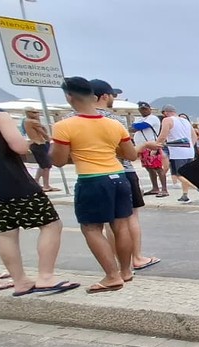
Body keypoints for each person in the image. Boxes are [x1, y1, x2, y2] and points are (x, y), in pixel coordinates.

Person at [49, 77, 140, 293]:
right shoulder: (114, 124)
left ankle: (111, 276)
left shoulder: (64, 126)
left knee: (91, 228)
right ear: (93, 96)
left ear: (69, 97)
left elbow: (59, 160)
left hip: (92, 179)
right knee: (121, 225)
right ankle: (126, 271)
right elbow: (130, 154)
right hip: (118, 176)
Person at [0, 105, 80, 296]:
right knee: (51, 224)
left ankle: (20, 282)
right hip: (13, 180)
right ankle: (45, 277)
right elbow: (18, 146)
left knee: (6, 232)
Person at [89, 79, 162, 273]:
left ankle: (117, 262)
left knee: (108, 222)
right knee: (129, 219)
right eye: (112, 95)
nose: (114, 98)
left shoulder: (72, 119)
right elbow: (128, 153)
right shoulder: (114, 120)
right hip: (121, 171)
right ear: (104, 96)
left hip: (92, 175)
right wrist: (146, 145)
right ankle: (135, 258)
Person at [156, 105, 198, 203]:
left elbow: (163, 136)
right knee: (186, 175)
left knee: (178, 174)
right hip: (189, 151)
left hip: (177, 152)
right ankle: (185, 195)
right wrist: (190, 146)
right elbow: (194, 136)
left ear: (165, 113)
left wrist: (155, 147)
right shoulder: (186, 121)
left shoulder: (167, 120)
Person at [132, 101, 166, 196]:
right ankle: (155, 188)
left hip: (152, 146)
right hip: (142, 147)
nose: (144, 111)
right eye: (142, 109)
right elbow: (133, 127)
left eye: (145, 109)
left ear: (149, 109)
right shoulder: (139, 119)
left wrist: (135, 126)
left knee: (158, 167)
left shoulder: (153, 118)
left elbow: (139, 126)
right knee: (148, 168)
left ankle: (164, 189)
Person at [23, 107, 58, 192]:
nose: (37, 114)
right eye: (34, 112)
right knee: (46, 165)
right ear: (28, 113)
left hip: (35, 144)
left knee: (42, 165)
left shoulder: (26, 121)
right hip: (39, 144)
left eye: (37, 112)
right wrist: (51, 140)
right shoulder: (33, 122)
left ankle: (36, 181)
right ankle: (46, 185)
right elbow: (43, 132)